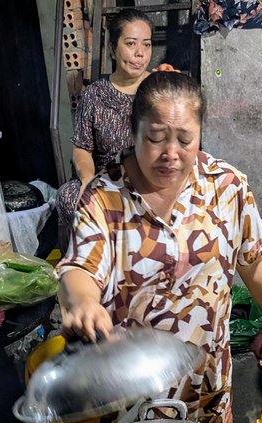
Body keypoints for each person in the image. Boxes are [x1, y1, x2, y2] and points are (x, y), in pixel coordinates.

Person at [56, 72, 262, 423]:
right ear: (133, 130)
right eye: (155, 138)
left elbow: (254, 259)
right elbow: (80, 267)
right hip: (133, 395)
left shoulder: (226, 187)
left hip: (208, 387)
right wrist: (85, 303)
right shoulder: (104, 198)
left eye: (185, 140)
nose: (170, 154)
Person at [56, 8, 153, 252]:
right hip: (107, 181)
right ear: (112, 48)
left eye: (146, 44)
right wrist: (88, 180)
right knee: (69, 196)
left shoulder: (159, 89)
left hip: (152, 179)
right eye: (130, 44)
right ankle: (90, 265)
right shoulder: (94, 95)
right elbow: (82, 148)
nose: (140, 53)